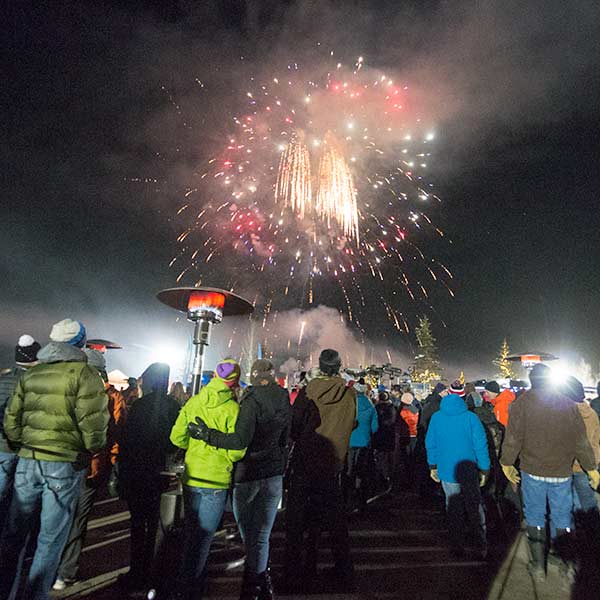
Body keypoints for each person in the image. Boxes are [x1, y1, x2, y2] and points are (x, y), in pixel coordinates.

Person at [0, 319, 108, 600]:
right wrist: (88, 451)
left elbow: (11, 418)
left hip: (27, 460)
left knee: (15, 535)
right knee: (50, 539)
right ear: (80, 344)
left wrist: (22, 443)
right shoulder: (85, 375)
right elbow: (94, 429)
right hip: (63, 464)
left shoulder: (33, 374)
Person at [188, 358, 291, 600]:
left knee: (249, 536)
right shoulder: (284, 397)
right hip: (274, 475)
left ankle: (253, 587)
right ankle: (260, 586)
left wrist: (207, 435)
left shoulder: (251, 401)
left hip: (249, 475)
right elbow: (287, 436)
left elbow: (239, 441)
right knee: (262, 536)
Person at [500, 363, 599, 582]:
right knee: (562, 515)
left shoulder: (521, 404)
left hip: (532, 470)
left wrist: (506, 463)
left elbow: (513, 438)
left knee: (535, 514)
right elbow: (580, 442)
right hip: (561, 471)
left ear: (533, 379)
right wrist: (591, 468)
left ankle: (537, 566)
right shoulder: (567, 404)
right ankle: (566, 562)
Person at [170, 359, 246, 597]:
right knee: (203, 539)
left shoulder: (194, 402)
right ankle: (188, 587)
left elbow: (176, 437)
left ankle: (188, 581)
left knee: (193, 534)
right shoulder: (234, 410)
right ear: (234, 381)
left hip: (192, 478)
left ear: (214, 375)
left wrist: (194, 448)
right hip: (216, 481)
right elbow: (237, 451)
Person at [53, 349, 127, 590]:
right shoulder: (111, 397)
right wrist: (112, 461)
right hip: (92, 466)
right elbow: (115, 433)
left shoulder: (66, 388)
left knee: (57, 514)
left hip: (61, 462)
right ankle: (65, 573)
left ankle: (49, 567)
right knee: (78, 519)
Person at [285, 350, 357, 591]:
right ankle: (344, 572)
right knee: (336, 522)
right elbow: (352, 423)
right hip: (332, 464)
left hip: (305, 462)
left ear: (320, 366)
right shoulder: (350, 394)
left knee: (297, 520)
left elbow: (294, 426)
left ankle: (294, 572)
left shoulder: (308, 392)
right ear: (338, 367)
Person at [118, 362, 180, 592]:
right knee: (156, 523)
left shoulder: (140, 406)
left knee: (137, 524)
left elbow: (128, 441)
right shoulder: (173, 406)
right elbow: (175, 440)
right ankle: (153, 572)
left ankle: (137, 572)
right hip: (160, 471)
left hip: (137, 471)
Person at [425, 392, 490, 558]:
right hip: (469, 470)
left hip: (447, 470)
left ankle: (457, 544)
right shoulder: (471, 418)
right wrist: (484, 468)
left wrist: (433, 466)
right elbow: (481, 445)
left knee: (454, 506)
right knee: (474, 505)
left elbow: (430, 444)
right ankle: (479, 543)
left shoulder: (436, 418)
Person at [0, 335, 41, 530]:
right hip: (23, 448)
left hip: (1, 446)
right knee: (20, 499)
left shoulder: (4, 379)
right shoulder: (35, 384)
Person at [562, 376, 600, 548]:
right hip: (588, 467)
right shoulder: (591, 413)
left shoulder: (564, 414)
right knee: (588, 505)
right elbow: (595, 441)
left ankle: (573, 543)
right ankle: (593, 540)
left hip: (568, 466)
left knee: (567, 505)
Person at [345, 378, 378, 511]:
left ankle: (347, 494)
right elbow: (375, 427)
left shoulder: (349, 404)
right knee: (362, 469)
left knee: (349, 468)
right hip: (364, 442)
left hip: (349, 440)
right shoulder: (371, 407)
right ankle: (360, 496)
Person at [395, 391, 420, 488]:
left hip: (405, 436)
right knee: (413, 457)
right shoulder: (416, 410)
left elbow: (399, 425)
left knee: (405, 457)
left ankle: (407, 478)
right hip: (414, 435)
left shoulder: (402, 411)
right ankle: (414, 478)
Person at [372, 391, 396, 490]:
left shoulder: (376, 408)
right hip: (389, 435)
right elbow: (393, 421)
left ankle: (382, 476)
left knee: (381, 457)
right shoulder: (392, 408)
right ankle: (388, 477)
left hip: (379, 435)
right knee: (389, 457)